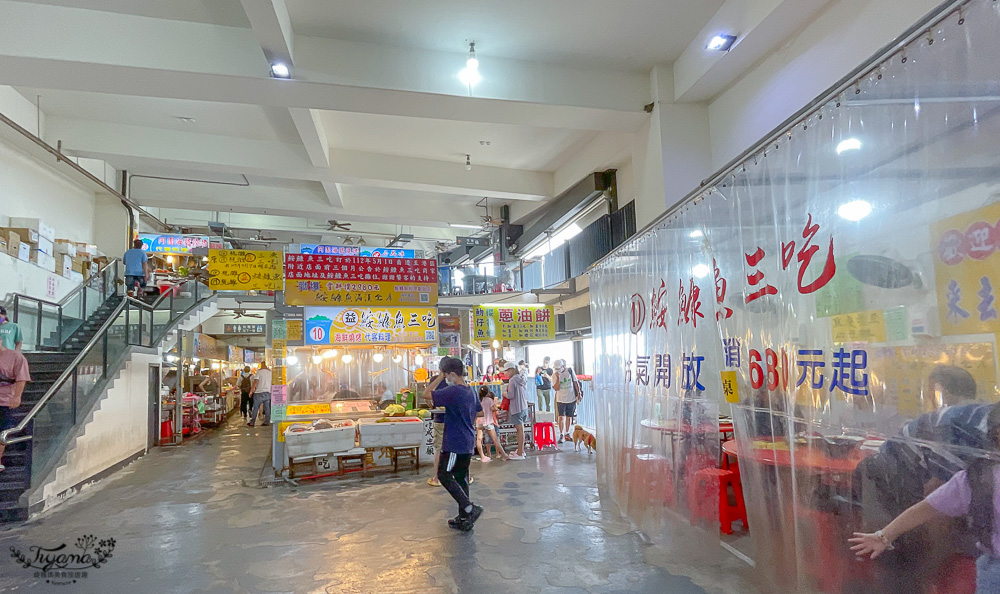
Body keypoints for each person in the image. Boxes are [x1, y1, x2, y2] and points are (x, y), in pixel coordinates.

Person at [849, 403, 1000, 593]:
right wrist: (885, 535)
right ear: (996, 437)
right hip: (894, 475)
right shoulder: (977, 474)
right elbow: (930, 505)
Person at [422, 356, 483, 531]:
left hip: (454, 442)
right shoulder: (470, 391)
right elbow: (479, 413)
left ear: (452, 374)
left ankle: (470, 509)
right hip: (468, 440)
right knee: (461, 477)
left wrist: (439, 377)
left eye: (447, 375)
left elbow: (426, 394)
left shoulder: (454, 391)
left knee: (443, 474)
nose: (446, 378)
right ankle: (464, 519)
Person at [0, 338, 30, 473]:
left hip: (5, 400)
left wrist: (17, 397)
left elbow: (21, 378)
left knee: (2, 431)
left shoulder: (16, 357)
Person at [502, 361, 528, 460]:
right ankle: (521, 450)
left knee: (519, 431)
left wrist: (504, 393)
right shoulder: (520, 378)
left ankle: (520, 453)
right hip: (523, 407)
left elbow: (511, 395)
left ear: (511, 370)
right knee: (522, 430)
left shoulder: (512, 380)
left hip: (516, 408)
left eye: (506, 371)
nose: (505, 373)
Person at [476, 386, 508, 461]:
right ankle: (504, 455)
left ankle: (482, 456)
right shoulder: (490, 400)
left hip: (480, 421)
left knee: (479, 439)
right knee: (495, 440)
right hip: (488, 422)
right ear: (487, 393)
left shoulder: (479, 400)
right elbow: (494, 409)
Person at [553, 359, 581, 443]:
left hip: (571, 397)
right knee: (561, 417)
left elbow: (575, 382)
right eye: (556, 369)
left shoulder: (570, 371)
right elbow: (556, 388)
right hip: (560, 399)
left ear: (563, 366)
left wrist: (578, 393)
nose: (558, 370)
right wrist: (558, 378)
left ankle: (567, 433)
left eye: (559, 368)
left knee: (569, 416)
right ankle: (561, 434)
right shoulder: (554, 375)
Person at [247, 362, 272, 427]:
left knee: (255, 408)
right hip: (267, 392)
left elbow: (255, 382)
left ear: (261, 365)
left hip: (259, 393)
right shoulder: (270, 372)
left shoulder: (259, 372)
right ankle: (267, 421)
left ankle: (252, 422)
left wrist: (251, 391)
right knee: (267, 408)